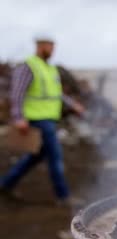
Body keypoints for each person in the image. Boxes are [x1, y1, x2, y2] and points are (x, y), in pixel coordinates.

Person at [0, 34, 85, 206]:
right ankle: (63, 196)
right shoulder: (28, 66)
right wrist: (18, 117)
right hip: (38, 120)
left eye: (53, 46)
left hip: (49, 119)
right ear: (40, 46)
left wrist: (72, 105)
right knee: (55, 157)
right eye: (50, 46)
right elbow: (17, 93)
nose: (52, 50)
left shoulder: (50, 69)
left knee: (36, 157)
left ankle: (5, 184)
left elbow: (56, 93)